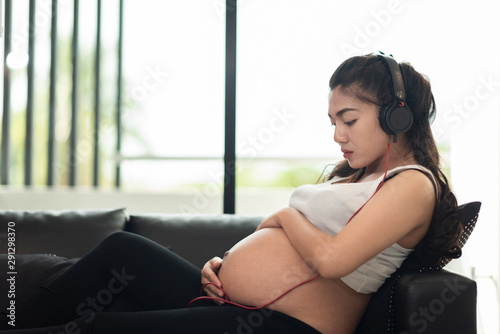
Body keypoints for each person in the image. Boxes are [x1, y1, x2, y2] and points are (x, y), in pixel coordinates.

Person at [0, 53, 462, 334]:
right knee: (123, 251)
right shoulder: (357, 176)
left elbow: (331, 260)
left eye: (349, 119)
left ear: (396, 116)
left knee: (101, 327)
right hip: (235, 302)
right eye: (333, 123)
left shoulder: (414, 184)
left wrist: (284, 217)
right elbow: (277, 235)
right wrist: (223, 264)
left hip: (281, 329)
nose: (338, 135)